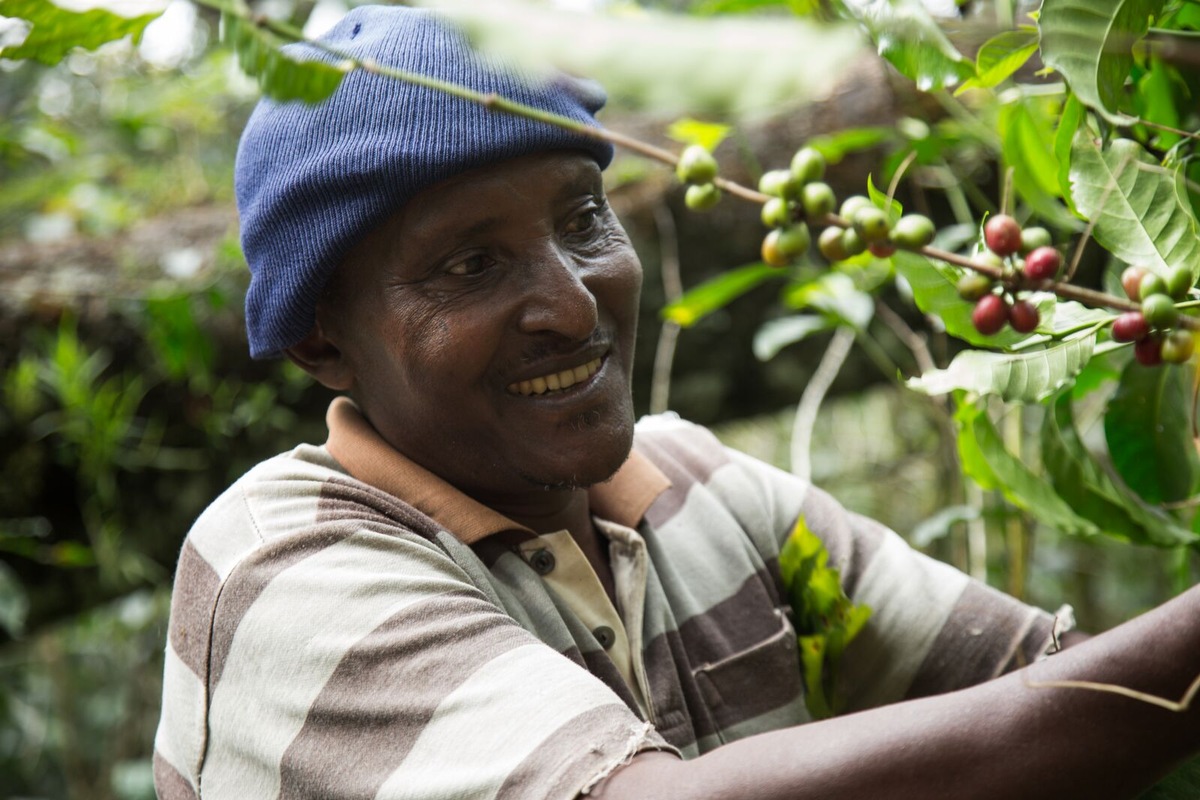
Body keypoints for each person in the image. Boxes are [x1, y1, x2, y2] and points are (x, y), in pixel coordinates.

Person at [153, 6, 1200, 799]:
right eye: (471, 264)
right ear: (321, 340)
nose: (572, 301)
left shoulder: (701, 489)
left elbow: (1054, 691)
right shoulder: (281, 569)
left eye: (584, 218)